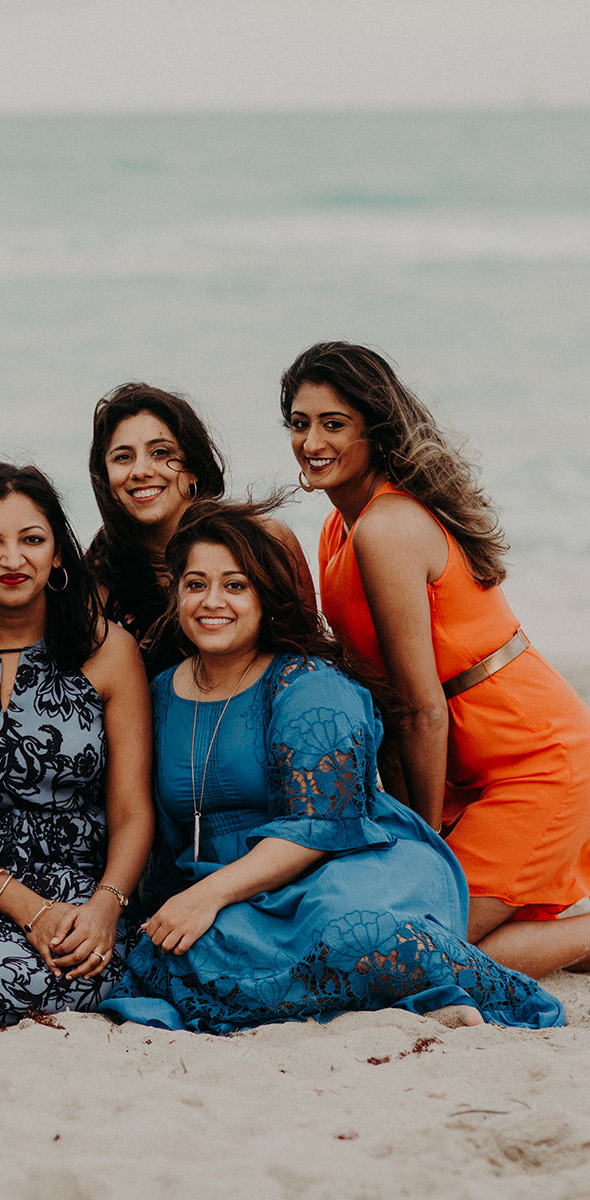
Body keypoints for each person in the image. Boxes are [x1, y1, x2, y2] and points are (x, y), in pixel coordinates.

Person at [99, 501, 564, 1033]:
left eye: (235, 585)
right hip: (226, 885)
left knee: (351, 934)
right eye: (196, 584)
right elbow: (162, 826)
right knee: (178, 953)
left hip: (339, 868)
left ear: (265, 598)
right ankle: (384, 1000)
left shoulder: (309, 685)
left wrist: (206, 896)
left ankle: (438, 986)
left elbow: (320, 827)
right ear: (176, 593)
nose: (212, 602)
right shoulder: (158, 693)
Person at [281, 341, 590, 979]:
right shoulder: (339, 528)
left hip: (533, 761)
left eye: (333, 424)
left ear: (376, 430)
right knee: (409, 935)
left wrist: (419, 850)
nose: (312, 440)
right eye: (299, 422)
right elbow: (384, 699)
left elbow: (422, 708)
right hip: (471, 770)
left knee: (429, 952)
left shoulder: (387, 527)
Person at [0, 462, 154, 1024]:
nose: (13, 559)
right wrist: (26, 908)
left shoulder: (109, 649)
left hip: (87, 887)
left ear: (58, 554)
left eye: (32, 539)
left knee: (87, 979)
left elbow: (132, 810)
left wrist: (105, 910)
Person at [86, 381, 311, 676]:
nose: (141, 471)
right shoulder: (97, 577)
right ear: (106, 480)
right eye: (123, 457)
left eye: (160, 452)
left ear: (193, 468)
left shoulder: (263, 540)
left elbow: (310, 656)